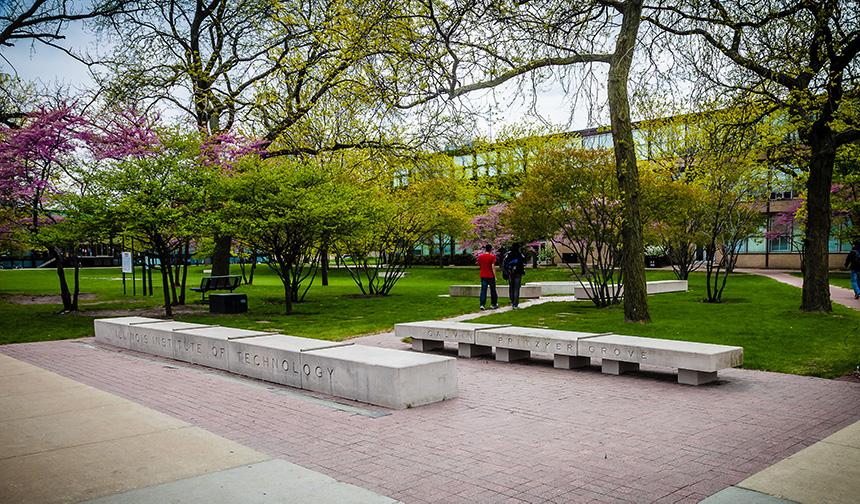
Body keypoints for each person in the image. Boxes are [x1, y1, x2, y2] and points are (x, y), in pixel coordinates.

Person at [503, 243, 527, 309]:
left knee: (511, 287)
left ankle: (512, 299)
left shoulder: (509, 254)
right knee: (517, 288)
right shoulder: (520, 255)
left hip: (511, 273)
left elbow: (505, 263)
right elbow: (524, 263)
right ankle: (515, 304)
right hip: (518, 273)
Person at [477, 244, 498, 310]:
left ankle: (482, 304)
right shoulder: (492, 257)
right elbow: (493, 267)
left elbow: (480, 265)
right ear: (491, 249)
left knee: (483, 290)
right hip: (490, 276)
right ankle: (493, 304)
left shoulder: (480, 257)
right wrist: (495, 276)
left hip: (483, 275)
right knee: (493, 290)